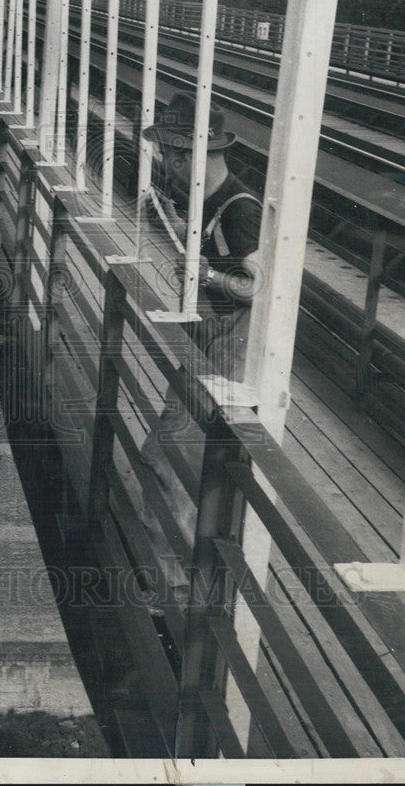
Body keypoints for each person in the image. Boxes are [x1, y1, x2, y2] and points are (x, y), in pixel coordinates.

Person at [135, 93, 263, 583]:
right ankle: (170, 578)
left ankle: (170, 592)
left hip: (229, 346)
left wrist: (205, 277)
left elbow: (257, 285)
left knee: (172, 459)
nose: (165, 162)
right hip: (209, 340)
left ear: (188, 154)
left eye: (169, 153)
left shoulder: (237, 208)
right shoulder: (204, 200)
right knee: (168, 457)